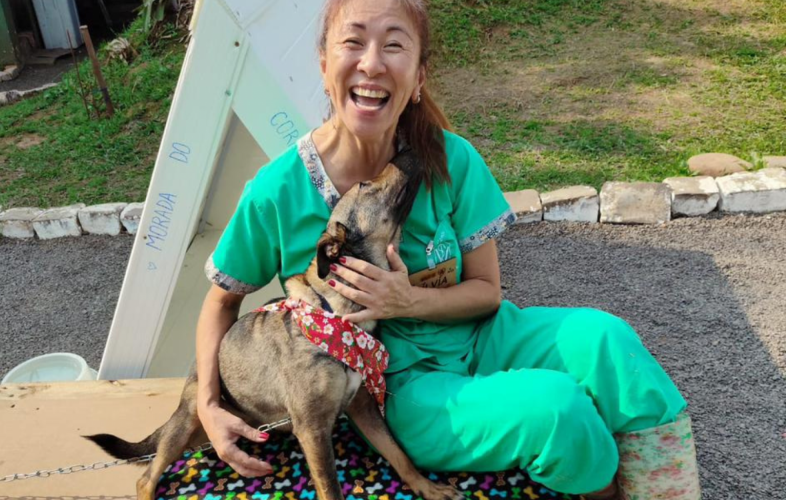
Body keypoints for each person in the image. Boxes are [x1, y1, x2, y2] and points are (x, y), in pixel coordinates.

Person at [196, 0, 701, 498]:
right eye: (353, 41)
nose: (371, 62)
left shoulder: (451, 158)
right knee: (555, 409)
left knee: (607, 339)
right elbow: (221, 301)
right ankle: (605, 490)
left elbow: (486, 292)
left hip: (484, 337)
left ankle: (665, 489)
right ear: (323, 63)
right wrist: (208, 406)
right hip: (405, 388)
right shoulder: (277, 191)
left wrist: (406, 301)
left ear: (417, 77)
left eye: (394, 45)